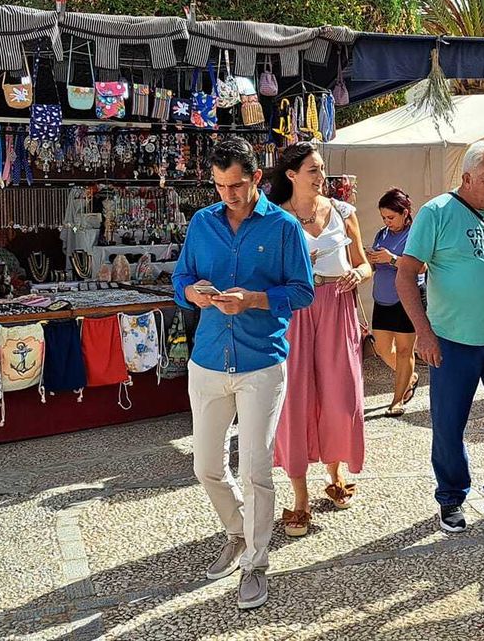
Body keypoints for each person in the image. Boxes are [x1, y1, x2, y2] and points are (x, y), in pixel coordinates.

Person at [171, 138, 314, 611]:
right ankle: (237, 531)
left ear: (255, 178)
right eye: (218, 185)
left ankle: (255, 562)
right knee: (206, 466)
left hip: (260, 364)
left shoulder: (284, 226)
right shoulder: (202, 223)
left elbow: (303, 291)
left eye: (235, 185)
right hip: (208, 361)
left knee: (255, 470)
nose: (226, 195)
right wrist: (191, 293)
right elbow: (180, 278)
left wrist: (252, 299)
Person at [397, 140, 484, 534]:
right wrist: (423, 334)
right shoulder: (437, 213)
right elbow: (407, 274)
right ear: (468, 178)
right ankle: (451, 498)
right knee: (448, 423)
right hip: (451, 340)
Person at [267, 142, 372, 537]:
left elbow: (363, 264)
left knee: (341, 393)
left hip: (337, 305)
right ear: (292, 174)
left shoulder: (343, 212)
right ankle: (299, 498)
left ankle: (336, 469)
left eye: (322, 168)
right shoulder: (275, 219)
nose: (321, 175)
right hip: (294, 309)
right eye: (313, 169)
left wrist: (357, 275)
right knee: (294, 397)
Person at [367, 188, 423, 416]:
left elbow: (422, 266)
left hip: (407, 297)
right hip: (382, 297)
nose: (387, 222)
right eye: (383, 218)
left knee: (404, 350)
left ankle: (397, 399)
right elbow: (373, 265)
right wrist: (369, 258)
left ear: (405, 213)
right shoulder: (382, 234)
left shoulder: (415, 234)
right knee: (381, 348)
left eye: (391, 217)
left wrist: (391, 259)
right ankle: (410, 377)